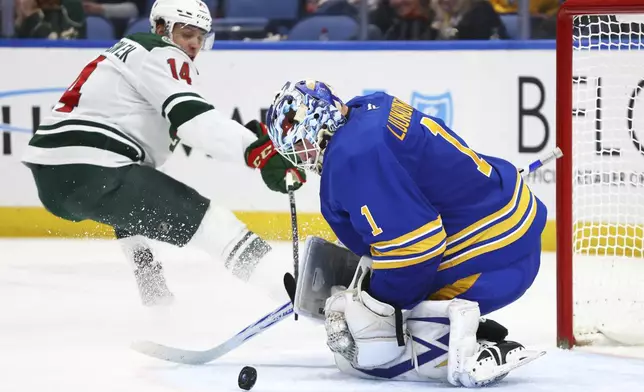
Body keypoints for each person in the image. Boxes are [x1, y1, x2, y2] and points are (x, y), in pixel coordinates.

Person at [21, 0, 304, 306]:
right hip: (92, 167)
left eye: (200, 36)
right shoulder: (160, 52)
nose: (194, 43)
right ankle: (289, 290)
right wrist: (260, 152)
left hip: (54, 178)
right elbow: (195, 122)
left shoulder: (127, 56)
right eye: (186, 33)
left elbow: (126, 193)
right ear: (160, 28)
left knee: (131, 190)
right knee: (214, 225)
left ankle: (153, 289)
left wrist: (147, 271)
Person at [264, 80, 547, 386]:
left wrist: (374, 308)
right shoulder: (368, 107)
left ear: (316, 126)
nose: (301, 157)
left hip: (498, 256)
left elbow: (416, 251)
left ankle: (455, 351)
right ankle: (446, 325)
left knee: (372, 350)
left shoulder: (352, 156)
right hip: (511, 227)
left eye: (297, 146)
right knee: (390, 290)